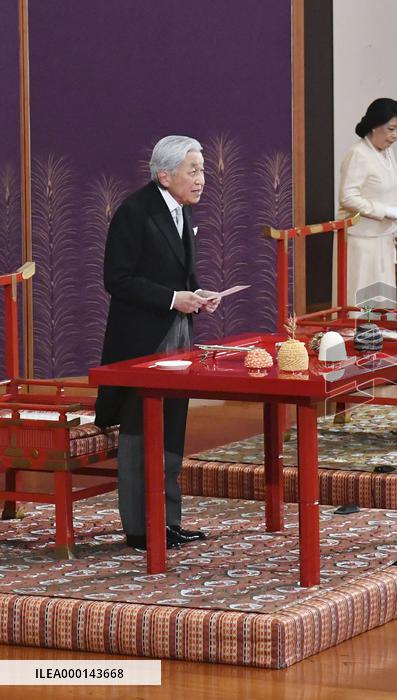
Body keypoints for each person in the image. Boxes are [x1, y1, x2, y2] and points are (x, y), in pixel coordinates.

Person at [95, 135, 219, 550]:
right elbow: (118, 279)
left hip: (178, 332)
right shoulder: (135, 212)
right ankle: (139, 528)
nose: (202, 179)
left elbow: (179, 274)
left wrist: (198, 294)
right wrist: (172, 299)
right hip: (142, 340)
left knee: (172, 429)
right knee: (139, 432)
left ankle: (167, 521)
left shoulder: (180, 211)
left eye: (202, 170)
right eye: (194, 171)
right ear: (164, 175)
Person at [337, 98, 397, 308]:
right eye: (391, 129)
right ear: (374, 125)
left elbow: (387, 190)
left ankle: (381, 335)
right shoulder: (358, 154)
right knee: (360, 295)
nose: (395, 136)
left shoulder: (388, 152)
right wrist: (385, 211)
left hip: (384, 235)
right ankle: (356, 336)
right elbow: (348, 197)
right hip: (361, 239)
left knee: (383, 296)